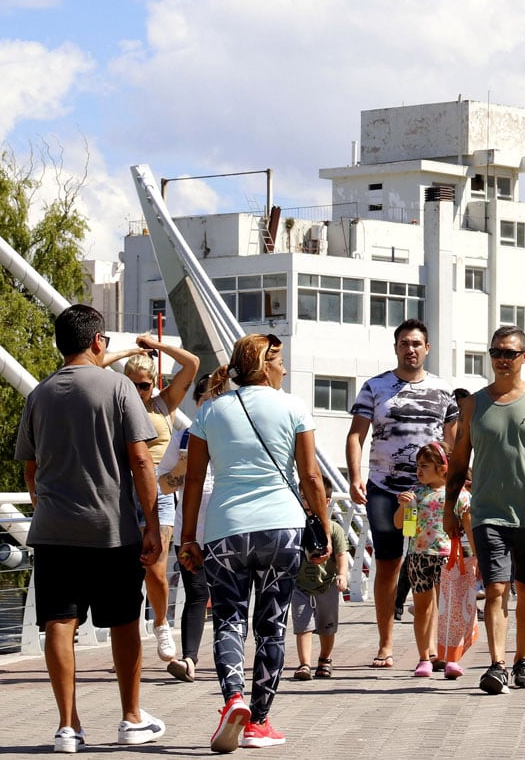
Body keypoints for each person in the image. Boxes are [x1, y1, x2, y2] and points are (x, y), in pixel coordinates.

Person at [15, 304, 166, 752]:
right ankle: (130, 718)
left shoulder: (39, 394)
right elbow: (141, 459)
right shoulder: (119, 387)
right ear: (98, 342)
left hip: (53, 530)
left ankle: (68, 726)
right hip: (112, 529)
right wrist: (152, 524)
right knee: (122, 620)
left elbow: (30, 468)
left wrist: (44, 505)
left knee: (59, 622)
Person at [179, 333, 331, 753]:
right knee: (271, 625)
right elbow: (311, 477)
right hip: (282, 528)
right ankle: (259, 722)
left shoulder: (210, 412)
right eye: (280, 361)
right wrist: (321, 526)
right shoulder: (294, 407)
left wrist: (188, 536)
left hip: (225, 531)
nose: (284, 369)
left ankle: (232, 699)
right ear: (265, 365)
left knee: (228, 620)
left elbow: (193, 480)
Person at [443, 326, 525, 695]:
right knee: (497, 587)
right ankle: (497, 664)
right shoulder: (472, 404)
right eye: (497, 352)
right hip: (489, 512)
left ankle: (522, 659)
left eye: (510, 353)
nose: (502, 359)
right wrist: (449, 507)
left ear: (524, 358)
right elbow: (458, 461)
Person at [346, 319, 459, 668]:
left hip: (431, 495)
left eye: (416, 343)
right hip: (385, 489)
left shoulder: (443, 390)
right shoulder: (375, 387)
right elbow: (356, 435)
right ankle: (385, 643)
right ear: (396, 348)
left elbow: (454, 443)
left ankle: (436, 648)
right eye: (404, 344)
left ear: (427, 348)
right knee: (388, 565)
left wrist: (459, 483)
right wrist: (354, 476)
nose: (410, 349)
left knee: (435, 567)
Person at [120, 336, 199, 663]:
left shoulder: (163, 404)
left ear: (155, 383)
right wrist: (128, 352)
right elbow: (91, 365)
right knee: (127, 572)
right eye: (133, 384)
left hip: (160, 493)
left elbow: (192, 364)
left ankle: (161, 623)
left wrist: (155, 345)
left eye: (145, 385)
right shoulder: (118, 405)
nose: (140, 391)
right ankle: (126, 637)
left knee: (155, 569)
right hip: (125, 490)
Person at [395, 442, 472, 678]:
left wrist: (476, 555)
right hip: (418, 557)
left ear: (442, 468)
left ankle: (450, 657)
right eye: (418, 465)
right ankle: (424, 658)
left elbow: (468, 525)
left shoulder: (458, 494)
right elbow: (403, 526)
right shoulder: (416, 494)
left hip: (446, 557)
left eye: (425, 466)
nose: (419, 470)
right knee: (422, 609)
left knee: (448, 610)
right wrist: (403, 507)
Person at [158, 375, 216, 682]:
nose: (211, 405)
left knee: (228, 598)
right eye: (206, 400)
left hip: (225, 531)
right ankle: (189, 659)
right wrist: (182, 469)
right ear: (197, 403)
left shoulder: (231, 438)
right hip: (188, 532)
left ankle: (226, 661)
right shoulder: (182, 438)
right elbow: (164, 485)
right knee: (195, 594)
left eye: (217, 399)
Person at [291, 476, 350, 682]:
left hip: (327, 584)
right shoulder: (296, 525)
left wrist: (342, 575)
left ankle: (325, 659)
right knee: (303, 624)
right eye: (302, 497)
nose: (306, 502)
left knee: (327, 624)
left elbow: (342, 555)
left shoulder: (333, 528)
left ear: (326, 501)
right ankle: (304, 664)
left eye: (312, 498)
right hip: (299, 585)